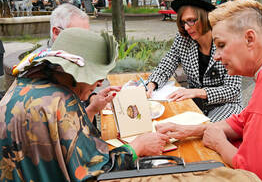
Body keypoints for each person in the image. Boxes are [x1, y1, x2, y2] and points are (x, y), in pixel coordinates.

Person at [0, 28, 169, 181]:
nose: (100, 82)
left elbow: (57, 135)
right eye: (97, 75)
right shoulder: (63, 100)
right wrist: (137, 147)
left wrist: (91, 109)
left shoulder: (25, 84)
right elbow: (96, 174)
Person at [157, 0, 262, 182]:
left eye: (222, 45)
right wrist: (190, 130)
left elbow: (258, 174)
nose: (216, 56)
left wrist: (220, 144)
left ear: (249, 39)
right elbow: (243, 120)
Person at [147, 0, 242, 122]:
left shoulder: (227, 41)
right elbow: (167, 63)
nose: (186, 27)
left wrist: (197, 92)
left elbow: (233, 90)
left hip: (225, 106)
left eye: (191, 20)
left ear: (206, 16)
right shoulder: (183, 39)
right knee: (164, 123)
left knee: (204, 132)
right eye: (183, 22)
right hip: (194, 103)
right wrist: (152, 84)